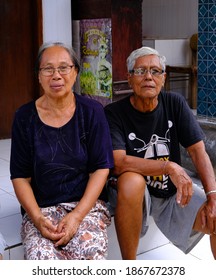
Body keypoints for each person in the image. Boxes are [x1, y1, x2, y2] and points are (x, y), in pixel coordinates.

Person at [105, 46, 216, 260]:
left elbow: (197, 150)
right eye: (140, 71)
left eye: (155, 71)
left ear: (163, 78)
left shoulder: (174, 103)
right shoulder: (113, 113)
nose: (148, 77)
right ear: (129, 78)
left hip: (170, 192)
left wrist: (212, 195)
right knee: (131, 181)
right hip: (132, 195)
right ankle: (129, 267)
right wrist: (168, 166)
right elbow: (118, 162)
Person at [10, 42, 114, 260]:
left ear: (75, 72)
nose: (56, 76)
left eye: (64, 68)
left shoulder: (92, 112)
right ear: (38, 76)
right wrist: (37, 218)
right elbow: (20, 176)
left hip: (85, 206)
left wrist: (77, 216)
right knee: (42, 261)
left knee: (91, 254)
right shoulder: (24, 117)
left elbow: (101, 169)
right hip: (42, 209)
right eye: (48, 69)